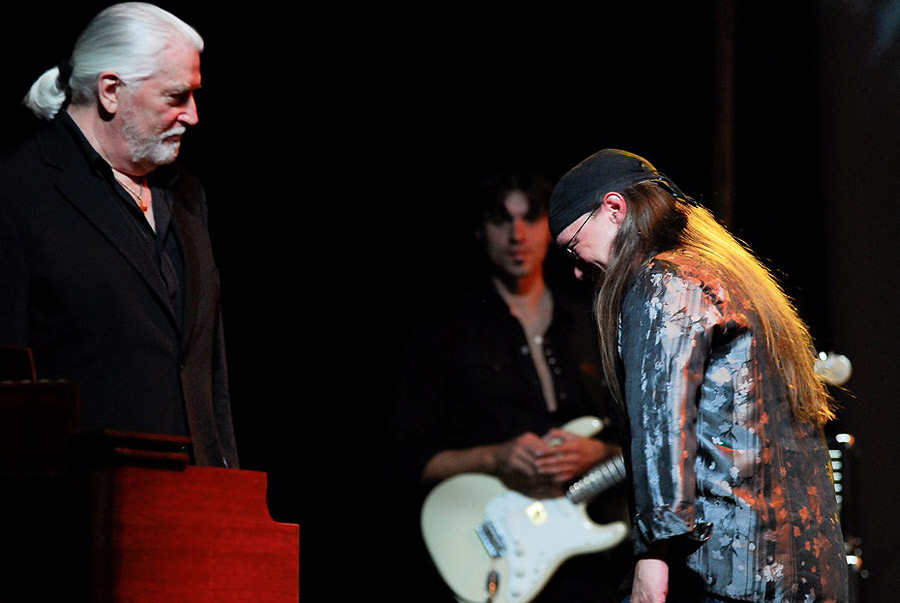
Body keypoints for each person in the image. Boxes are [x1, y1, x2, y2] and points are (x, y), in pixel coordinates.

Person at [548, 149, 849, 603]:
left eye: (574, 246)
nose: (576, 268)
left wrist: (651, 563)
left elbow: (662, 429)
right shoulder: (723, 274)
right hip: (803, 572)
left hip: (727, 573)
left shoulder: (660, 283)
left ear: (614, 209)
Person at [0, 3, 238, 468]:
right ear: (111, 91)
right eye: (176, 96)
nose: (192, 115)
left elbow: (208, 370)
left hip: (196, 500)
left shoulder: (186, 195)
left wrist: (226, 481)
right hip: (80, 505)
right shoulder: (19, 193)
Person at [385, 170, 629, 602]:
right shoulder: (443, 334)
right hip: (493, 545)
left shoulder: (592, 322)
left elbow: (636, 433)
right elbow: (407, 460)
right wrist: (495, 457)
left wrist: (602, 453)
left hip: (590, 561)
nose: (517, 234)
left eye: (531, 217)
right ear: (480, 230)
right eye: (502, 219)